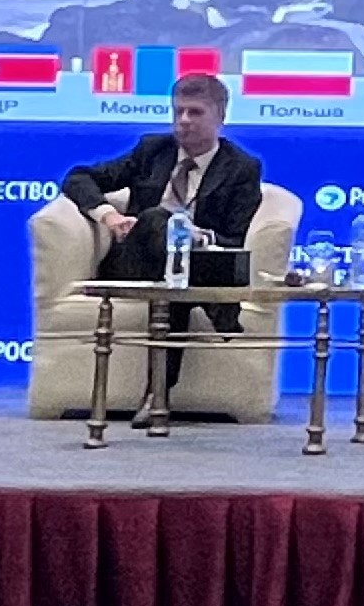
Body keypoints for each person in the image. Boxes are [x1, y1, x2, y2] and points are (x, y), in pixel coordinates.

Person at [58, 70, 265, 411]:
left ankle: (157, 396)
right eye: (178, 111)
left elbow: (234, 238)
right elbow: (78, 178)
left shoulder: (241, 168)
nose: (183, 121)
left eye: (195, 112)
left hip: (191, 263)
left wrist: (196, 236)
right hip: (134, 261)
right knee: (158, 219)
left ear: (221, 116)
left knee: (175, 277)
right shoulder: (152, 150)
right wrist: (109, 216)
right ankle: (220, 312)